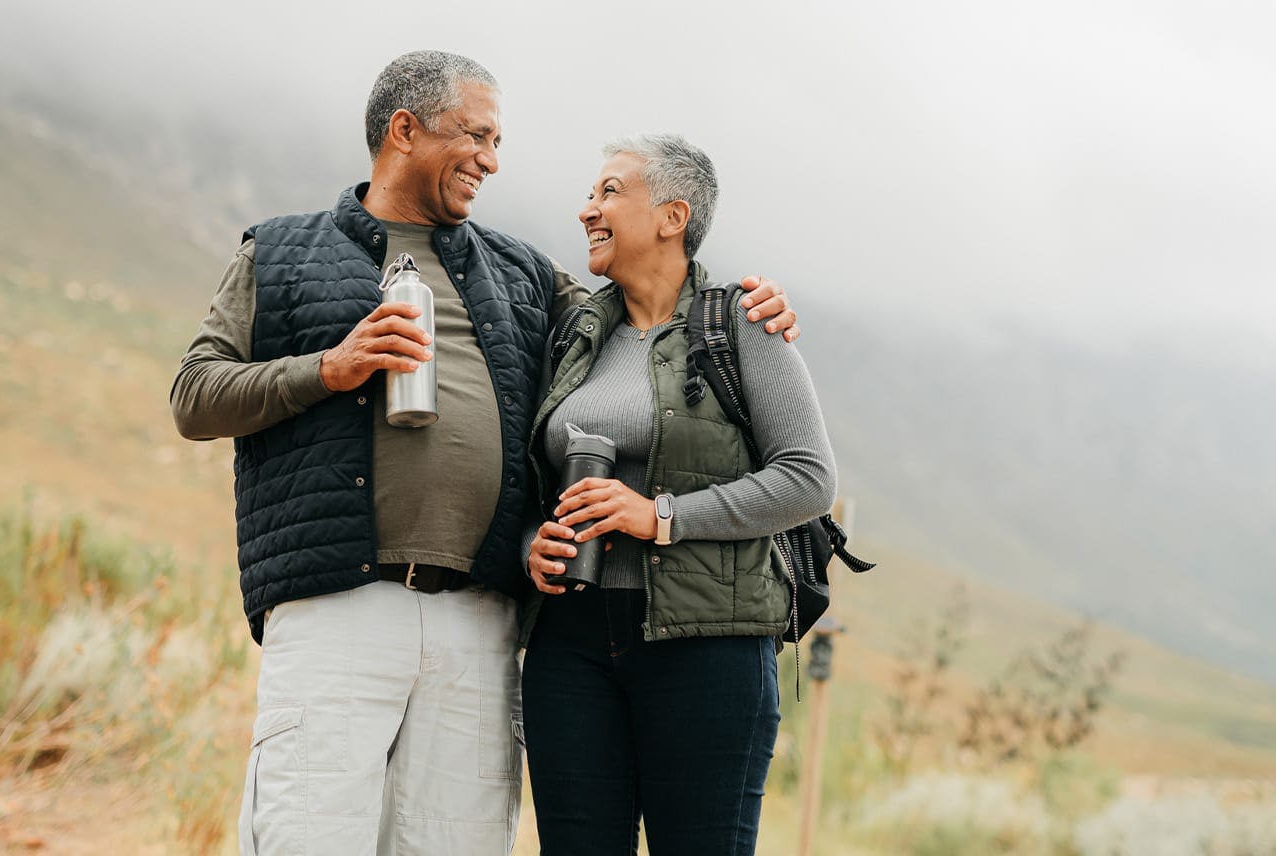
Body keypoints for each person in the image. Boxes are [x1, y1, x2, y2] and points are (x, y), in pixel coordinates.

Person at [170, 52, 799, 856]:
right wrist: (331, 367)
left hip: (482, 619)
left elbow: (647, 315)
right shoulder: (280, 254)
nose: (491, 160)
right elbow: (195, 395)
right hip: (337, 608)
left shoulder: (524, 272)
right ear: (405, 129)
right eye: (476, 135)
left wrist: (742, 302)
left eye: (497, 140)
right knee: (307, 836)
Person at [522, 133, 838, 855]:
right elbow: (532, 481)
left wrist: (660, 517)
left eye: (608, 192)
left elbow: (809, 479)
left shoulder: (743, 325)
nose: (586, 211)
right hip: (569, 644)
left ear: (672, 215)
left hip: (709, 652)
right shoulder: (575, 333)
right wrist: (530, 545)